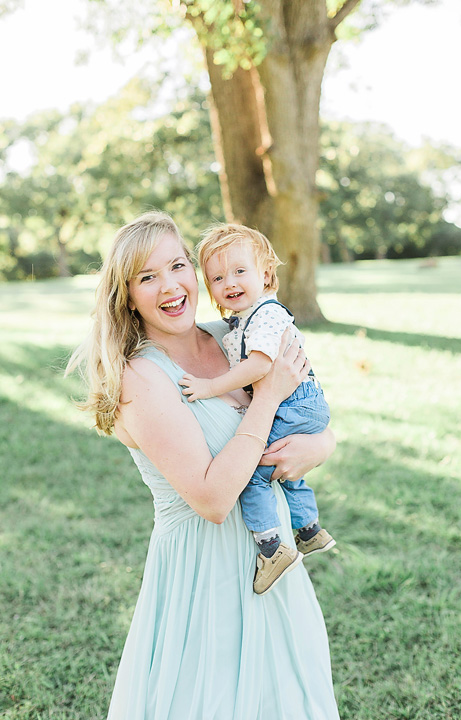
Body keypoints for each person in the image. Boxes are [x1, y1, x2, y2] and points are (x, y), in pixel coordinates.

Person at [66, 211, 340, 719]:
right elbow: (213, 500)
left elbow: (310, 406)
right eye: (148, 277)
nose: (170, 287)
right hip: (205, 573)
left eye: (177, 266)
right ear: (126, 294)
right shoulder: (141, 379)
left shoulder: (232, 336)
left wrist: (321, 446)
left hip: (273, 562)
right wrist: (266, 397)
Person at [180, 223, 336, 595]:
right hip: (302, 402)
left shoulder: (265, 315)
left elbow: (261, 366)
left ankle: (271, 547)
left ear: (265, 274)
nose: (229, 282)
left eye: (239, 271)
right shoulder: (245, 318)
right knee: (287, 469)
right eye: (217, 277)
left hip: (293, 402)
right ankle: (309, 530)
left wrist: (210, 387)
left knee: (253, 471)